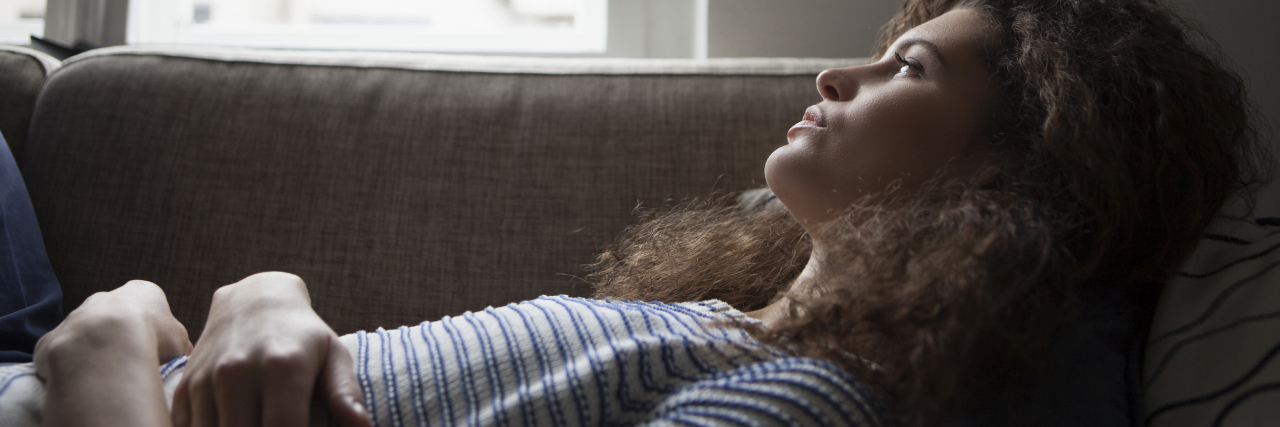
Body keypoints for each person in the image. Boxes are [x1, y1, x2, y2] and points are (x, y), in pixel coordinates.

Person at [2, 0, 1272, 426]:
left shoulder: (808, 401)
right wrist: (257, 295)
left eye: (911, 67)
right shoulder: (734, 338)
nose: (836, 75)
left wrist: (110, 365)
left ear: (1009, 179)